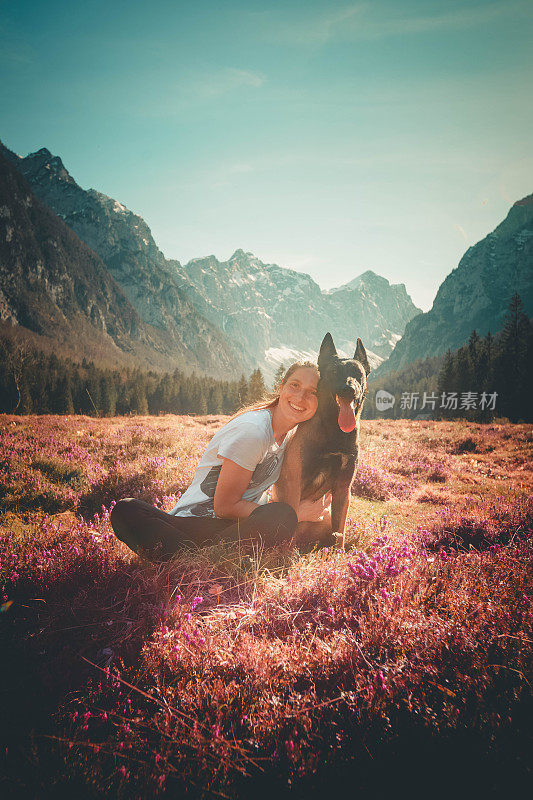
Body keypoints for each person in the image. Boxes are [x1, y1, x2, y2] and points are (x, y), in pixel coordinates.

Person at [110, 362, 329, 560]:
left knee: (281, 515)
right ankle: (206, 557)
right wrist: (297, 515)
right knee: (126, 511)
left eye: (312, 392)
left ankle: (187, 557)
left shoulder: (291, 438)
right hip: (193, 524)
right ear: (281, 386)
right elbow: (225, 506)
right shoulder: (254, 432)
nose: (300, 397)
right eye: (295, 385)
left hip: (234, 528)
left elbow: (264, 495)